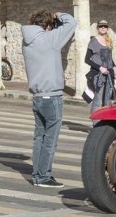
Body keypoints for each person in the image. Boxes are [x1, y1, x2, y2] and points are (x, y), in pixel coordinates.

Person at [21, 9, 77, 188]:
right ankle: (44, 176)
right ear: (47, 25)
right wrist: (58, 15)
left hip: (37, 96)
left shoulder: (27, 41)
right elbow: (72, 22)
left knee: (39, 137)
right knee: (50, 140)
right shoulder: (50, 39)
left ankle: (37, 175)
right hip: (51, 96)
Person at [84, 19, 116, 113]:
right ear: (97, 28)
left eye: (105, 26)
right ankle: (96, 124)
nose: (103, 28)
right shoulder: (93, 41)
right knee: (98, 101)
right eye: (101, 26)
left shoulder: (108, 41)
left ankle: (104, 124)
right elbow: (87, 59)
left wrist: (114, 66)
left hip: (109, 74)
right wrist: (100, 68)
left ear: (107, 28)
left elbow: (108, 58)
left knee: (108, 101)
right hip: (98, 75)